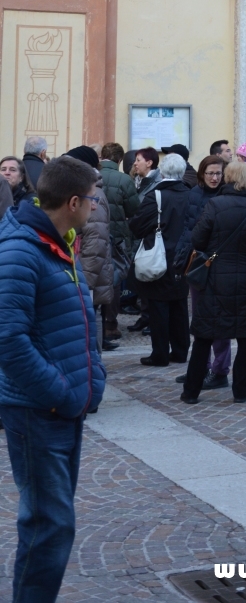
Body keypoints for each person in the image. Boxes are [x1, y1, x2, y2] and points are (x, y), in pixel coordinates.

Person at [0, 154, 105, 603]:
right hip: (39, 409)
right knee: (50, 524)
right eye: (94, 200)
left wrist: (89, 382)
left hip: (61, 407)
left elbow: (75, 320)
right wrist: (59, 392)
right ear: (75, 201)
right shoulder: (23, 248)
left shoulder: (58, 241)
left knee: (51, 522)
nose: (98, 207)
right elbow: (8, 338)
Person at [180, 161, 246, 404]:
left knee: (204, 336)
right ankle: (241, 391)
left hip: (215, 280)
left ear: (228, 178)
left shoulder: (215, 205)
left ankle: (191, 392)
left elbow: (198, 240)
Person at [129, 152, 191, 367]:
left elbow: (137, 226)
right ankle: (181, 350)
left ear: (162, 172)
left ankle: (160, 354)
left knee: (158, 307)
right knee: (180, 305)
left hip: (159, 254)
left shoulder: (155, 196)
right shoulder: (190, 194)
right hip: (184, 256)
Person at [174, 155, 229, 389]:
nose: (214, 178)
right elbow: (187, 229)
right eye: (210, 174)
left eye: (218, 173)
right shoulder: (194, 194)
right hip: (198, 263)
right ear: (202, 175)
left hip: (221, 265)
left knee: (220, 320)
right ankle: (200, 367)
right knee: (198, 318)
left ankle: (220, 370)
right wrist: (182, 257)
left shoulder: (227, 195)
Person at [67, 147, 116, 352]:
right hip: (87, 273)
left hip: (89, 276)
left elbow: (95, 243)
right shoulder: (82, 190)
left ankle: (93, 372)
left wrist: (84, 282)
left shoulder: (92, 194)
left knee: (89, 325)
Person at [99, 142, 141, 341]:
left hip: (93, 234)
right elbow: (134, 209)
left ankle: (94, 321)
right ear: (120, 159)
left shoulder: (90, 175)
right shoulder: (124, 180)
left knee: (94, 275)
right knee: (114, 279)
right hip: (116, 236)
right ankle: (110, 323)